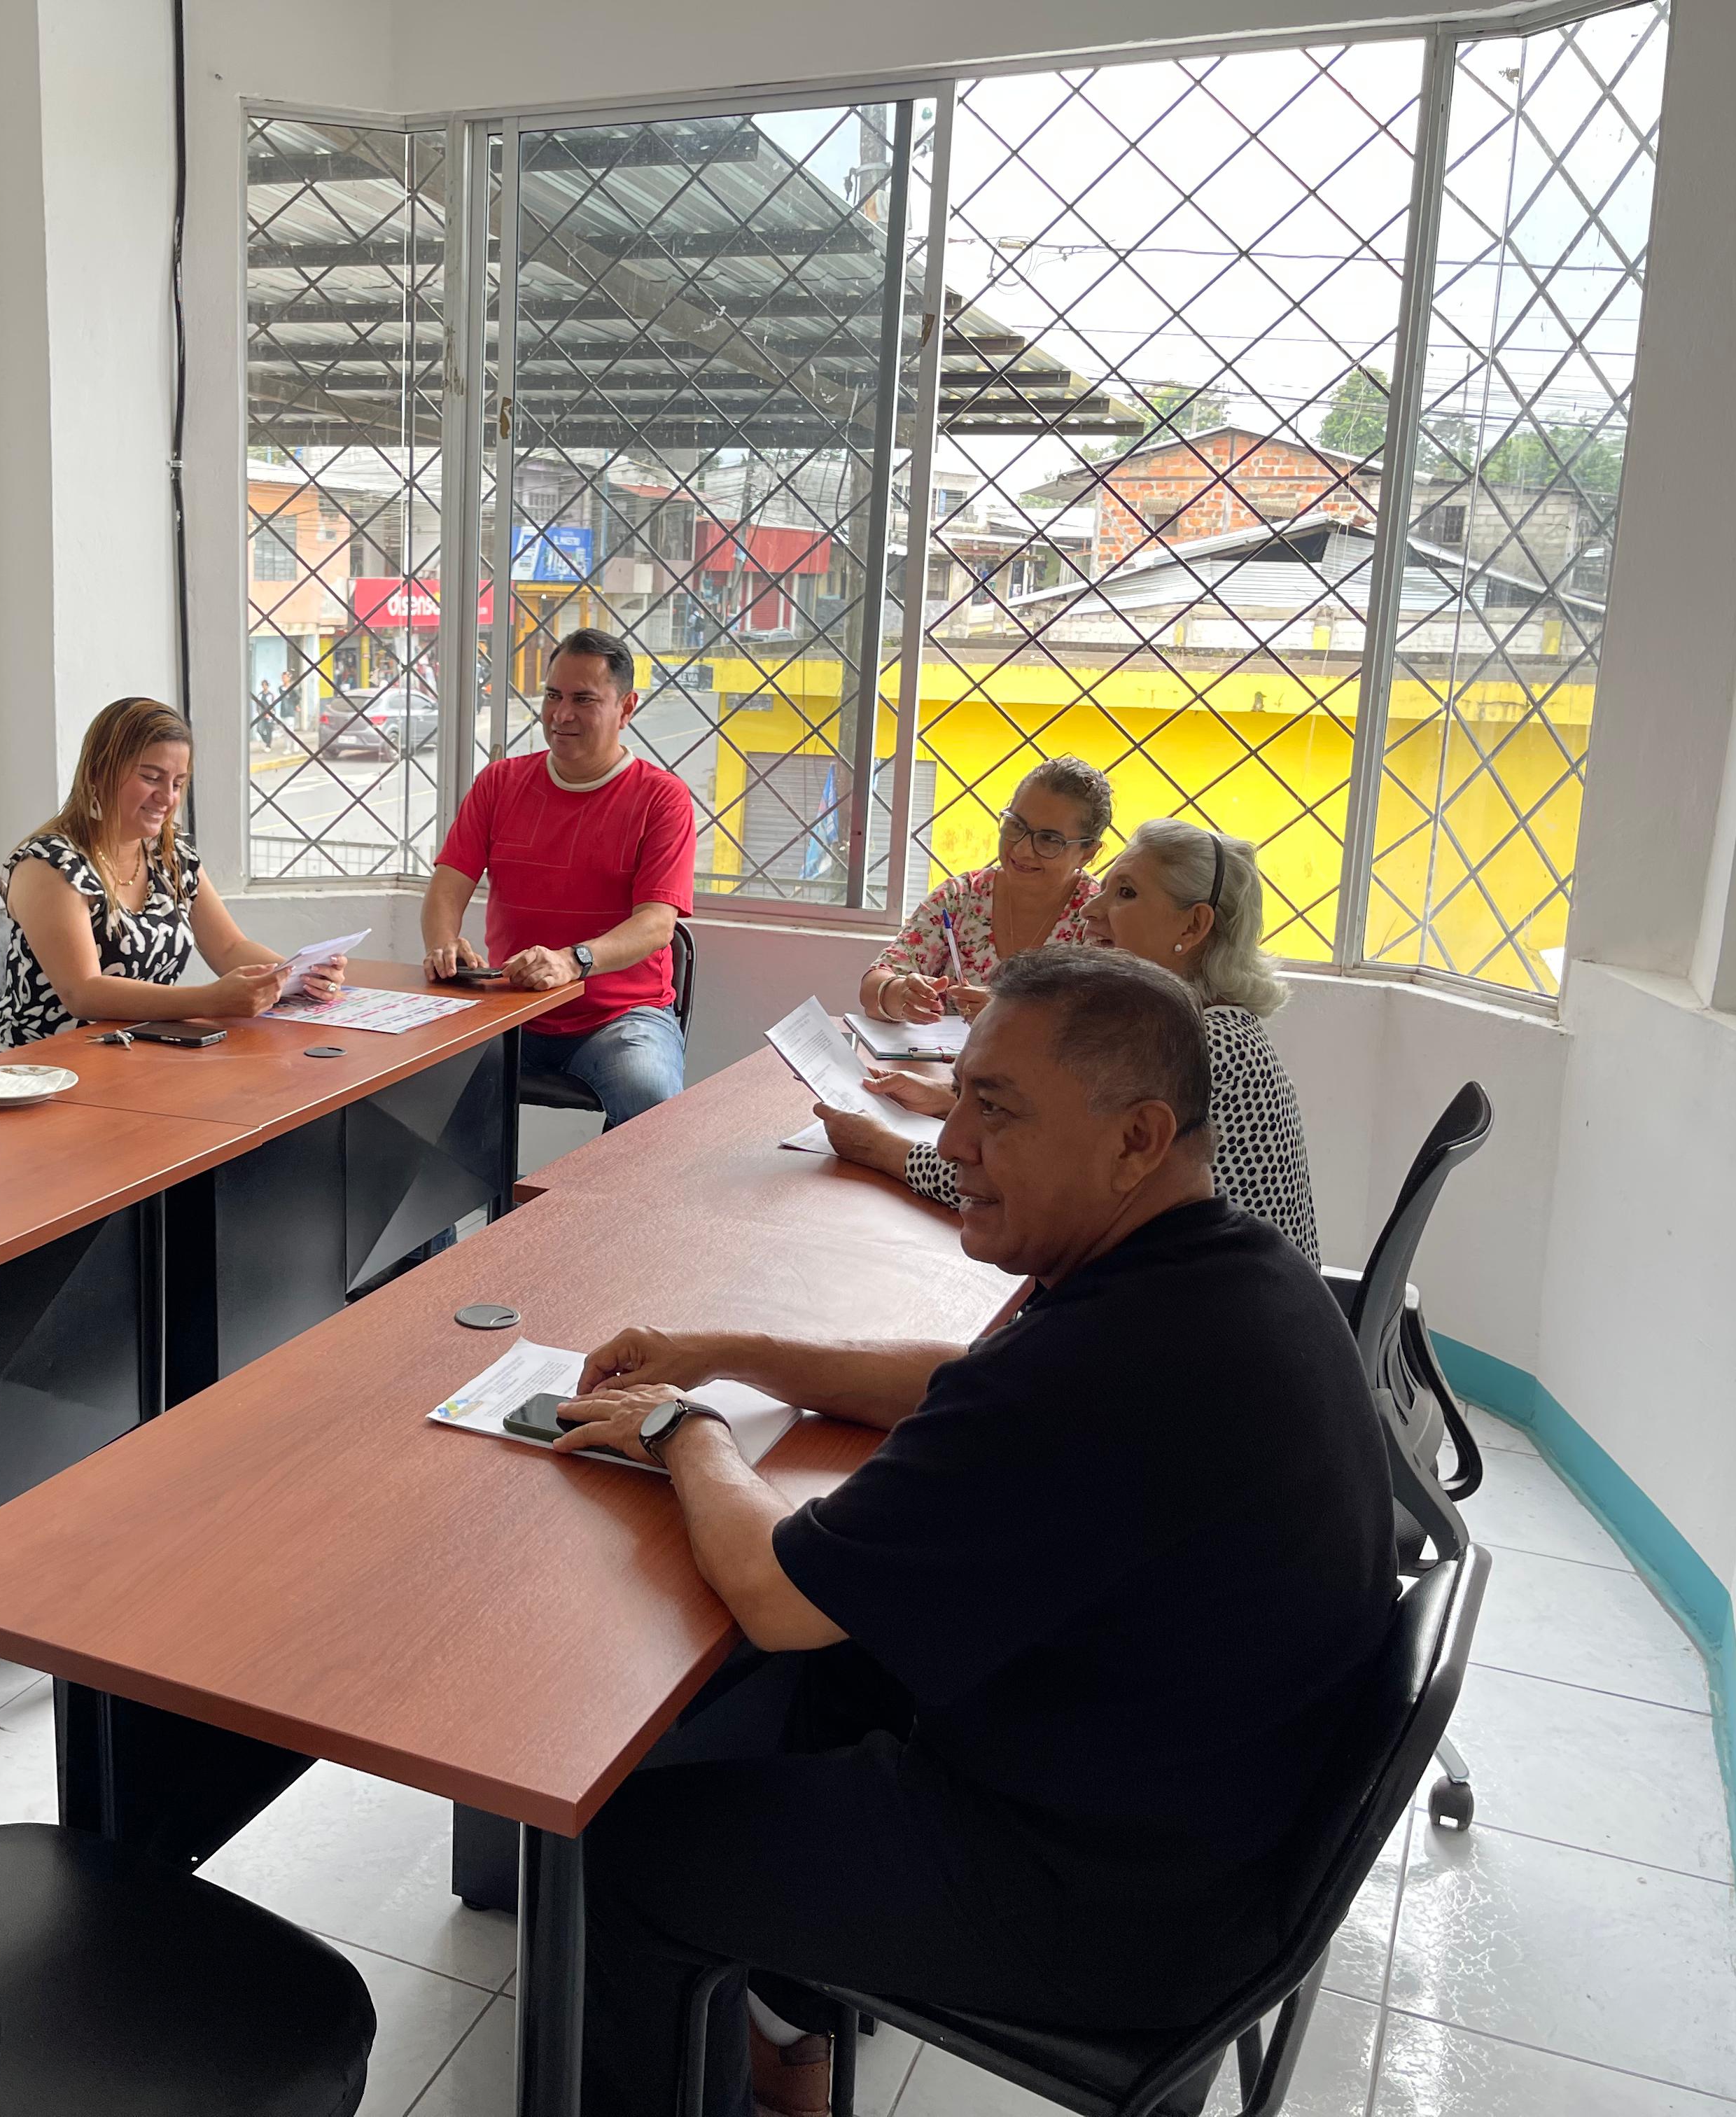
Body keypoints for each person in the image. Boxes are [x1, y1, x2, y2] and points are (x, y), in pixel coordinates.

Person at [549, 946, 1394, 2115]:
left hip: (1109, 1904)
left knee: (634, 1848)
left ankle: (752, 2041)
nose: (951, 1143)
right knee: (842, 1673)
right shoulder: (1229, 1273)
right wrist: (729, 1349)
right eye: (961, 1099)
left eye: (995, 1109)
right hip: (1204, 1826)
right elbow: (964, 1380)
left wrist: (681, 1428)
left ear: (1136, 1139)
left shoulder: (1107, 1369)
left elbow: (776, 1593)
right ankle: (795, 2038)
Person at [825, 819, 1322, 1262]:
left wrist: (882, 1148)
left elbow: (1042, 1188)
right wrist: (953, 1100)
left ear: (1192, 926)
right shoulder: (1216, 1028)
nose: (1091, 909)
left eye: (1125, 893)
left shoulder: (1201, 1047)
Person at [420, 627, 696, 1125]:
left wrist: (574, 961)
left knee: (652, 1102)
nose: (561, 715)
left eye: (583, 700)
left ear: (626, 708)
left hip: (619, 1018)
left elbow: (657, 924)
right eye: (553, 696)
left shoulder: (662, 798)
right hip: (506, 1007)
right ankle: (471, 1180)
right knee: (404, 1079)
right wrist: (444, 945)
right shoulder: (499, 783)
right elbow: (447, 885)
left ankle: (611, 1185)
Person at [0, 694, 342, 1045]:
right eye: (151, 778)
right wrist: (212, 999)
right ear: (98, 773)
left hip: (138, 1052)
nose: (168, 797)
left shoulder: (170, 854)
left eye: (177, 783)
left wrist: (299, 975)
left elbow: (229, 948)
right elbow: (83, 993)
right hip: (44, 1063)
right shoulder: (49, 863)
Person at [858, 757, 1109, 1024]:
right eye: (1016, 825)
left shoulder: (1099, 919)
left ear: (1088, 853)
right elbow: (874, 985)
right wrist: (899, 994)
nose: (1022, 849)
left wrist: (1013, 1016)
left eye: (1049, 839)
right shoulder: (960, 897)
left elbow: (1109, 1027)